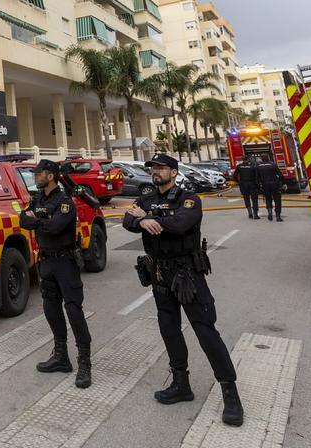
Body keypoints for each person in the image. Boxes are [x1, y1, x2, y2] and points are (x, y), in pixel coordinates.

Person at [123, 153, 243, 427]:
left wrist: (150, 217)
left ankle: (230, 394)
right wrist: (141, 220)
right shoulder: (144, 199)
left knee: (205, 331)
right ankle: (181, 384)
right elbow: (127, 220)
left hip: (187, 275)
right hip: (159, 275)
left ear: (174, 172)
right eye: (153, 168)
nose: (156, 172)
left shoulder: (189, 199)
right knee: (169, 329)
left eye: (161, 168)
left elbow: (180, 225)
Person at [19, 159, 93, 389]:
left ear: (49, 175)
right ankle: (61, 357)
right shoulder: (38, 199)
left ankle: (84, 364)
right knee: (51, 310)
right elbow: (23, 220)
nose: (35, 176)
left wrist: (37, 221)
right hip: (46, 262)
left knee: (73, 310)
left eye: (38, 173)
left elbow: (56, 227)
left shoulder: (64, 202)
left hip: (65, 262)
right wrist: (42, 220)